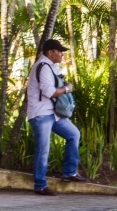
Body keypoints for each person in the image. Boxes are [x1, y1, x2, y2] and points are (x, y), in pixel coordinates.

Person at [27, 39, 89, 196]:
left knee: (73, 134)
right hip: (41, 114)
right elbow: (49, 92)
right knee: (43, 149)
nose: (62, 54)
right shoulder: (43, 67)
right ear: (50, 53)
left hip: (53, 113)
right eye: (59, 51)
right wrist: (67, 89)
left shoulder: (51, 67)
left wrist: (63, 85)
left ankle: (69, 173)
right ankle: (40, 185)